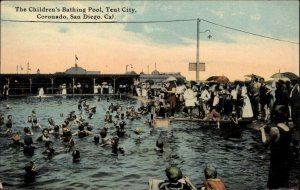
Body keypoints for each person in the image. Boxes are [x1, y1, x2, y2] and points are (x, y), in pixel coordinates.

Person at [260, 105, 292, 189]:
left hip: (276, 162)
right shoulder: (288, 128)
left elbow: (265, 144)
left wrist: (262, 130)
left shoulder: (275, 130)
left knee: (273, 186)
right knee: (283, 185)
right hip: (286, 161)